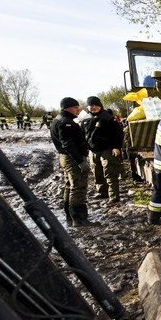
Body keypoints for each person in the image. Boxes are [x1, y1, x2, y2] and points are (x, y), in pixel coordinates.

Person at [50, 97, 93, 226]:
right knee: (78, 187)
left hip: (66, 157)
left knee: (69, 186)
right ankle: (79, 219)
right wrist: (80, 161)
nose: (78, 109)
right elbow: (68, 144)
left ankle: (70, 216)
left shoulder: (58, 120)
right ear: (67, 108)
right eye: (75, 107)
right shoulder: (65, 123)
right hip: (72, 158)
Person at [82, 96, 124, 203]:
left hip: (108, 150)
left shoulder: (108, 118)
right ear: (87, 107)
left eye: (95, 105)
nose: (93, 107)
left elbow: (118, 134)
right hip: (93, 150)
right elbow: (82, 135)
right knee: (97, 172)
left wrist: (116, 147)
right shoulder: (85, 119)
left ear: (100, 106)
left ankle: (114, 196)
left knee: (110, 173)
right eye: (91, 106)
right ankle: (101, 192)